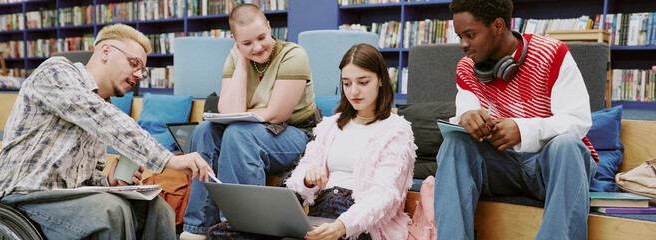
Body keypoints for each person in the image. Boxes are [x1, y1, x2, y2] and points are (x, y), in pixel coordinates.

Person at [0, 24, 213, 239]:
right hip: (23, 199)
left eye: (142, 71)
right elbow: (100, 116)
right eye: (134, 63)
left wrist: (109, 181)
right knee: (112, 211)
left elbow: (87, 181)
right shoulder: (55, 71)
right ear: (106, 51)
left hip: (68, 200)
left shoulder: (103, 106)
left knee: (158, 209)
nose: (138, 75)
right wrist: (168, 160)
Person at [207, 43, 416, 240]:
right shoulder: (331, 125)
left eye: (363, 82)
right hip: (319, 214)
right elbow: (301, 175)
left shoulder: (396, 130)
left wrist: (342, 226)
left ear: (380, 79)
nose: (354, 91)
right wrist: (308, 178)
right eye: (347, 83)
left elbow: (383, 197)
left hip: (360, 223)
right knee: (220, 233)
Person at [434, 0, 599, 239]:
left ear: (498, 25)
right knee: (455, 144)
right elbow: (465, 110)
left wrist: (522, 129)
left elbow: (578, 121)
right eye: (460, 36)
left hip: (552, 166)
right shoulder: (467, 68)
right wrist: (467, 117)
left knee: (566, 145)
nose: (463, 44)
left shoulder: (552, 54)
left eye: (470, 35)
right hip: (502, 166)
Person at [180, 4, 321, 239]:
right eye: (246, 43)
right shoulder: (236, 59)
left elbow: (278, 113)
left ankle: (240, 229)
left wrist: (245, 113)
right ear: (235, 41)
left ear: (268, 26)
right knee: (205, 131)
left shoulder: (293, 54)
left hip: (298, 133)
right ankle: (198, 227)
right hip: (256, 130)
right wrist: (243, 63)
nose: (257, 47)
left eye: (261, 38)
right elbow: (229, 110)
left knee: (238, 134)